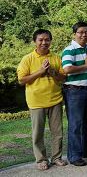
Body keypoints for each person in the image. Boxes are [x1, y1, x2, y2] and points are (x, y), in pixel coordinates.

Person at [17, 29, 68, 171]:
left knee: (57, 132)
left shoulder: (56, 58)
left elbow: (64, 78)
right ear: (35, 41)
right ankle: (41, 160)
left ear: (50, 41)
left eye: (47, 40)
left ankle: (57, 157)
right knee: (38, 133)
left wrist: (52, 72)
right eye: (41, 40)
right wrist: (40, 71)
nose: (44, 42)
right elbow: (22, 80)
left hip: (55, 100)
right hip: (36, 102)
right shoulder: (27, 59)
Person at [61, 22, 87, 166]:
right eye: (81, 32)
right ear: (74, 34)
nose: (84, 35)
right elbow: (67, 69)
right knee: (76, 124)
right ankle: (74, 156)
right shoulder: (69, 50)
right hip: (74, 91)